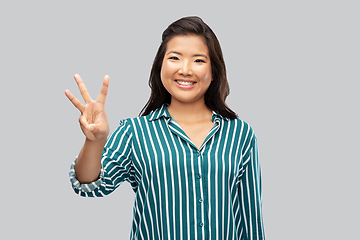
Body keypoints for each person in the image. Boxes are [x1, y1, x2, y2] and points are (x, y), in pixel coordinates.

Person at [65, 16, 265, 240]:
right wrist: (94, 141)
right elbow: (89, 185)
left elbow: (250, 220)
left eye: (198, 60)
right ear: (161, 66)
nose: (185, 70)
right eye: (175, 58)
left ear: (214, 72)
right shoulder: (135, 132)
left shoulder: (240, 134)